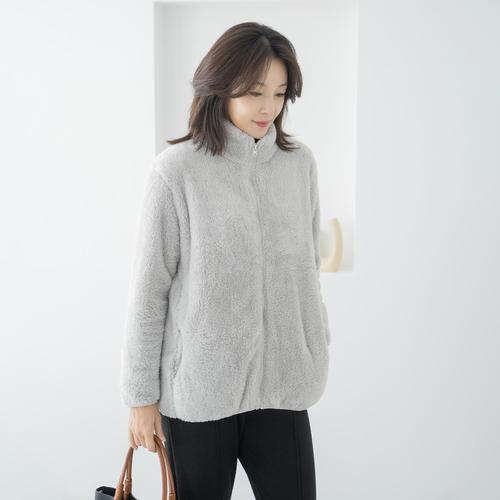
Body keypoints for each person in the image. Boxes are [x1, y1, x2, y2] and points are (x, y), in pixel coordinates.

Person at [120, 21, 331, 500]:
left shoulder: (299, 164)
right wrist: (141, 398)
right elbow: (149, 291)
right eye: (255, 92)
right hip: (199, 394)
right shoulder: (177, 172)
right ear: (221, 86)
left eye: (279, 93)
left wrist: (312, 339)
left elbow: (309, 267)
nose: (268, 107)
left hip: (282, 385)